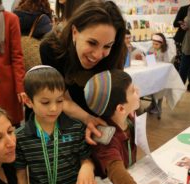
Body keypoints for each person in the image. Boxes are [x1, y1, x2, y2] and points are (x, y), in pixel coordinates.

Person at [40, 0, 127, 145]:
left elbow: (115, 91)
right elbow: (62, 98)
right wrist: (88, 119)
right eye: (92, 43)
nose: (98, 55)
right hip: (66, 126)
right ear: (74, 32)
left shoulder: (117, 51)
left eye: (107, 46)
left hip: (103, 123)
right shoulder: (51, 48)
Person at [16, 65, 99, 184]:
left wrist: (87, 167)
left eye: (60, 100)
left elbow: (86, 158)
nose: (54, 108)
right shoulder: (20, 137)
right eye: (45, 102)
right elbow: (21, 176)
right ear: (28, 101)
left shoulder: (76, 128)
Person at [84, 69, 141, 184]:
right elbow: (114, 167)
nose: (137, 90)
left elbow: (133, 105)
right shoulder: (104, 136)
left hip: (132, 172)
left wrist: (130, 106)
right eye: (132, 91)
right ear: (120, 108)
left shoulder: (128, 118)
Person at [173, 3, 190, 93]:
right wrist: (181, 23)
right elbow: (175, 23)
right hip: (181, 40)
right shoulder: (184, 9)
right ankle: (176, 85)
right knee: (179, 62)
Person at [144, 33, 169, 115]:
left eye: (156, 44)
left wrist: (158, 63)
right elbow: (147, 57)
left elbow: (166, 63)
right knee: (152, 89)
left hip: (161, 74)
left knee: (160, 90)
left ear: (162, 44)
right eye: (153, 44)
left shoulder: (164, 51)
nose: (154, 46)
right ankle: (153, 104)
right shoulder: (151, 48)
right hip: (153, 73)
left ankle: (159, 106)